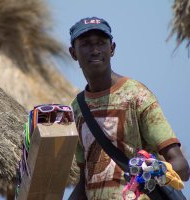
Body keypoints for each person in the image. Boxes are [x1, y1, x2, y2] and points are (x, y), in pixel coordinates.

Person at [68, 17, 190, 199]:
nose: (94, 50)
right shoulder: (77, 108)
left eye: (101, 43)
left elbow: (182, 166)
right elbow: (87, 178)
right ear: (73, 53)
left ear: (112, 49)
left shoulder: (136, 95)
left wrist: (156, 172)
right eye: (85, 44)